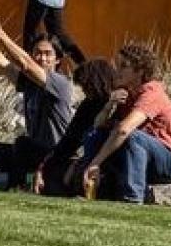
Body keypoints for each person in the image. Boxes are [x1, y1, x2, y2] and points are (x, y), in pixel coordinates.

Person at [0, 9, 73, 189]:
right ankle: (18, 183)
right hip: (35, 151)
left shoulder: (60, 83)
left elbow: (26, 63)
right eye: (38, 53)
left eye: (48, 54)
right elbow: (0, 62)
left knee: (23, 144)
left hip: (56, 155)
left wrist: (0, 33)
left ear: (57, 60)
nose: (42, 58)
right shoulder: (29, 82)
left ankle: (19, 186)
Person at [82, 42, 171, 203]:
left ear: (140, 71)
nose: (117, 71)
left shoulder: (151, 92)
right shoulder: (126, 94)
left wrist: (96, 162)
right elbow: (97, 125)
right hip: (142, 157)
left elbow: (124, 130)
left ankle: (132, 199)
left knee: (133, 137)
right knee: (95, 135)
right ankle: (91, 190)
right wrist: (109, 104)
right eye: (117, 65)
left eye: (123, 66)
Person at [33, 58, 117, 196]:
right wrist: (43, 167)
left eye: (86, 86)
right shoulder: (88, 105)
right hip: (84, 159)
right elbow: (69, 140)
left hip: (106, 162)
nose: (84, 91)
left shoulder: (116, 101)